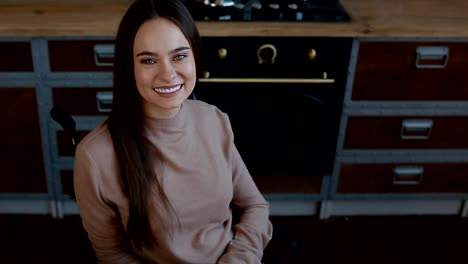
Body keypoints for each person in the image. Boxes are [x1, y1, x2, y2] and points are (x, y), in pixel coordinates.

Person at [73, 0, 273, 263]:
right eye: (148, 60)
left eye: (179, 56)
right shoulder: (95, 157)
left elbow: (255, 206)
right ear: (128, 67)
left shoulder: (213, 120)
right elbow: (113, 255)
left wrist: (239, 259)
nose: (168, 74)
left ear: (195, 58)